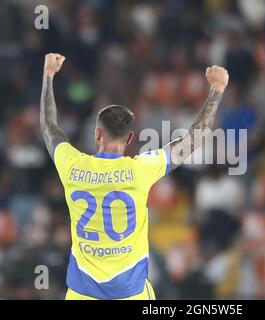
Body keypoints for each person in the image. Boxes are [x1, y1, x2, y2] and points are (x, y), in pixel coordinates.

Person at [40, 53, 229, 300]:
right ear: (130, 139)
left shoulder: (72, 165)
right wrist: (217, 89)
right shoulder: (140, 170)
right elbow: (192, 140)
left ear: (97, 134)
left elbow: (49, 127)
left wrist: (48, 75)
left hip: (82, 292)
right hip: (129, 293)